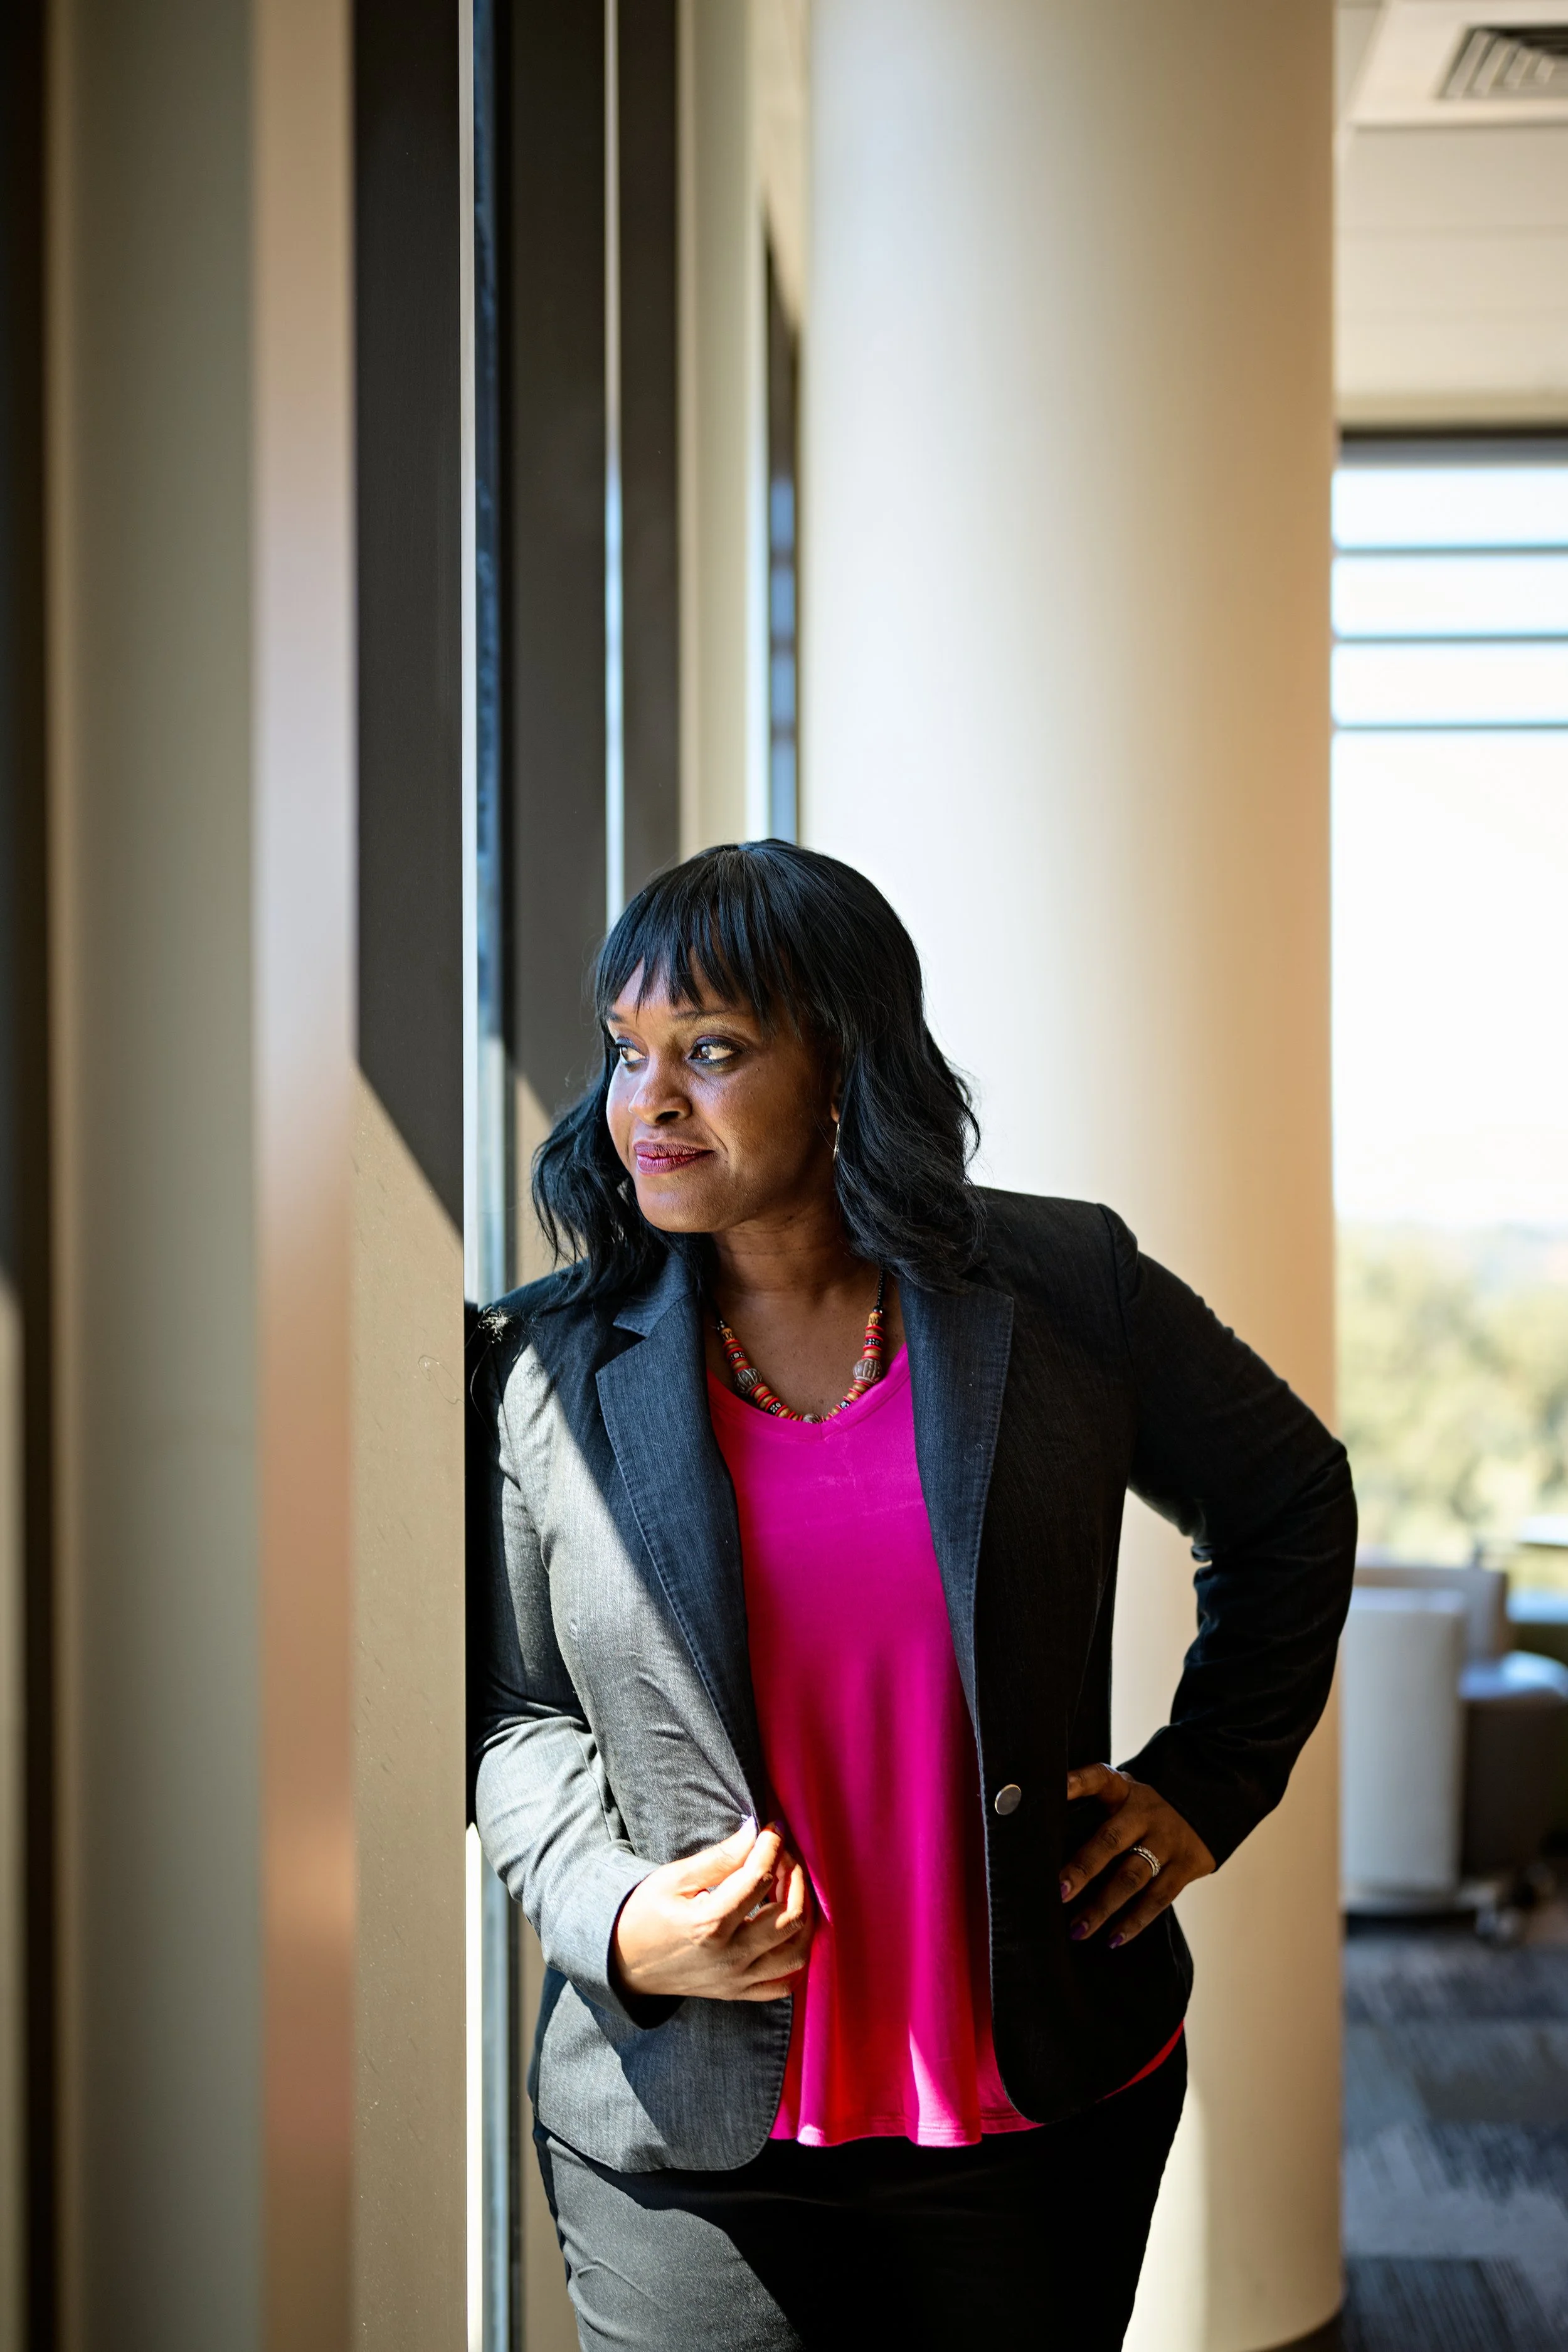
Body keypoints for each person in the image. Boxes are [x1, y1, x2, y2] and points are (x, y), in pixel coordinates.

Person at [472, 840, 1355, 2351]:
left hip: (1033, 2105)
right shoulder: (542, 1364)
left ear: (842, 1067)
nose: (648, 1103)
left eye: (712, 1050)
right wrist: (613, 1912)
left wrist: (1202, 1783)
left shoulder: (1064, 1287)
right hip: (684, 2131)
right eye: (627, 1054)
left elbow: (1288, 1501)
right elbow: (514, 1712)